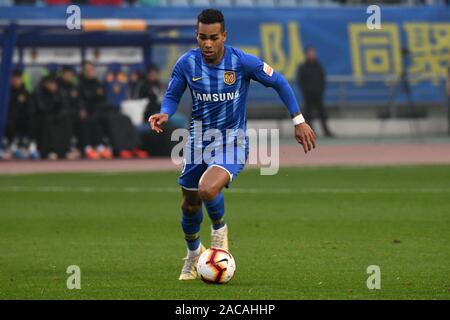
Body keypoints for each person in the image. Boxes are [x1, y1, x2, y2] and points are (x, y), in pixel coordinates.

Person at [148, 9, 316, 281]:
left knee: (207, 188)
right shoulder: (186, 64)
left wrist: (299, 120)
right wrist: (165, 112)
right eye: (202, 37)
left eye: (214, 37)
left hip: (231, 142)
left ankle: (219, 235)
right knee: (189, 204)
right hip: (196, 143)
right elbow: (172, 94)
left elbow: (279, 81)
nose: (208, 44)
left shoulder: (241, 62)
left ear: (224, 36)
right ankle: (193, 255)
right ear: (197, 36)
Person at [297, 46, 334, 137]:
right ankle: (310, 133)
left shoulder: (319, 66)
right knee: (308, 115)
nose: (312, 55)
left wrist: (320, 91)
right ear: (306, 55)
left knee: (322, 114)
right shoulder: (303, 67)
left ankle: (326, 132)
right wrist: (306, 91)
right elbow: (300, 81)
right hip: (308, 95)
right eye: (310, 54)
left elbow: (322, 80)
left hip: (318, 95)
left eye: (313, 54)